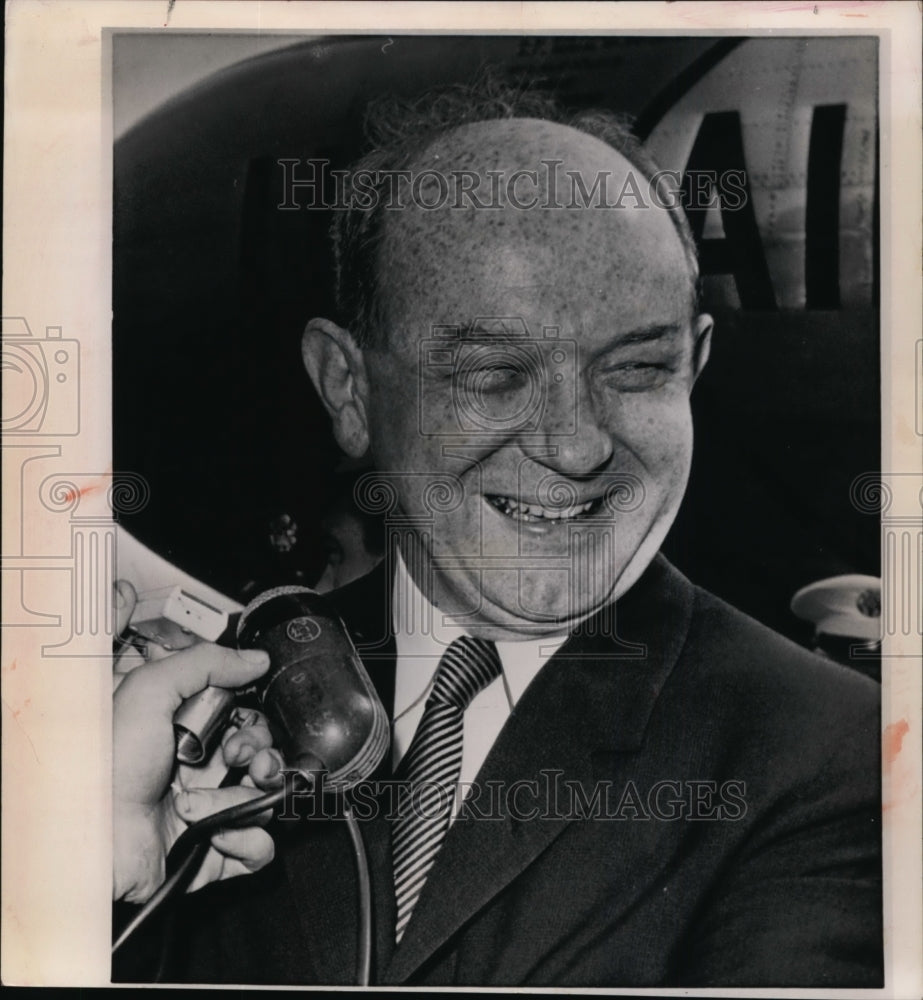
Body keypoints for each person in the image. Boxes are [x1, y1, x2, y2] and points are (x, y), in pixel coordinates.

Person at [112, 80, 882, 986]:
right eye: (492, 376)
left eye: (635, 369)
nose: (576, 445)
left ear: (694, 365)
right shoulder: (190, 721)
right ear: (348, 389)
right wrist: (88, 888)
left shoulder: (831, 757)